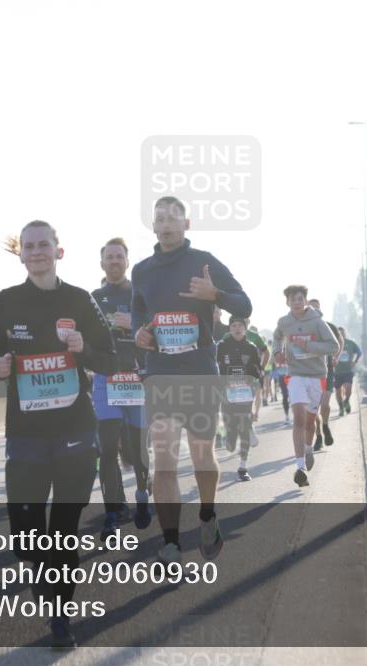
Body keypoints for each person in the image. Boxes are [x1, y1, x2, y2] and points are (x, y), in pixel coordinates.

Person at [0, 220, 117, 649]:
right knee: (26, 536)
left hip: (75, 430)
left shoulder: (80, 299)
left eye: (45, 244)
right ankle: (40, 565)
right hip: (26, 432)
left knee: (63, 528)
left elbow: (110, 361)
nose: (38, 251)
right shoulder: (5, 302)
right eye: (30, 245)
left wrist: (85, 349)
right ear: (21, 254)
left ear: (58, 252)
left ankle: (61, 618)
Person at [132, 196, 251, 564]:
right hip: (161, 372)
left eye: (173, 217)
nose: (166, 222)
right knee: (164, 456)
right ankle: (169, 543)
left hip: (199, 371)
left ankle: (207, 514)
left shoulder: (204, 262)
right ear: (153, 226)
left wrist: (214, 294)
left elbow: (244, 305)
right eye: (160, 217)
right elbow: (139, 314)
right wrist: (140, 334)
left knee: (202, 454)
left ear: (187, 224)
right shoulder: (142, 271)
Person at [92, 237, 152, 539]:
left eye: (119, 256)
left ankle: (142, 493)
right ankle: (113, 513)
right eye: (109, 257)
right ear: (102, 263)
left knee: (134, 448)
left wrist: (135, 324)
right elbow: (85, 340)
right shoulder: (94, 297)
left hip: (136, 379)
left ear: (127, 262)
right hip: (105, 380)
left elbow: (157, 334)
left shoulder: (138, 294)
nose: (114, 261)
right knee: (107, 446)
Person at [273, 286, 338, 487]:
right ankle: (299, 467)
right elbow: (277, 338)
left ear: (305, 301)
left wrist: (308, 346)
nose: (297, 302)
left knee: (310, 423)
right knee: (299, 418)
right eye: (293, 299)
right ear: (287, 302)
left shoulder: (317, 322)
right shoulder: (284, 322)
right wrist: (277, 353)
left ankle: (309, 448)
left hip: (317, 375)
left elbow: (333, 346)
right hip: (295, 375)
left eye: (300, 299)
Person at [216, 316, 262, 481]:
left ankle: (243, 467)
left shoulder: (251, 347)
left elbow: (257, 370)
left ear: (245, 328)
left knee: (243, 427)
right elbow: (215, 368)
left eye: (240, 325)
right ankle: (230, 435)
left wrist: (252, 380)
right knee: (231, 426)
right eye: (233, 325)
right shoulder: (221, 346)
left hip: (244, 393)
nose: (237, 328)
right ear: (229, 328)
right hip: (227, 394)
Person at [307, 299, 344, 451]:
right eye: (311, 309)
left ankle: (325, 425)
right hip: (309, 372)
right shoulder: (303, 329)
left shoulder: (329, 327)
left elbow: (340, 341)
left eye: (316, 309)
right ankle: (319, 435)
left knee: (325, 404)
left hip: (327, 371)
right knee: (314, 408)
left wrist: (336, 357)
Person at [334, 327, 363, 415]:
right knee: (338, 391)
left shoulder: (350, 343)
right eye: (339, 334)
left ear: (345, 334)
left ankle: (346, 401)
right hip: (337, 372)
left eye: (342, 333)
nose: (341, 335)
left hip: (348, 371)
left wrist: (355, 361)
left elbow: (359, 352)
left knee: (348, 388)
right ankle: (341, 407)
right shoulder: (334, 344)